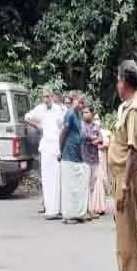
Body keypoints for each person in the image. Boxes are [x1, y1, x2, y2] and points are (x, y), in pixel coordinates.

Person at [108, 60, 137, 271]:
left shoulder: (135, 110)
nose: (117, 84)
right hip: (124, 177)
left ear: (124, 82)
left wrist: (124, 185)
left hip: (129, 179)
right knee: (124, 243)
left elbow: (133, 152)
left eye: (118, 80)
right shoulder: (128, 107)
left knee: (130, 243)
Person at [25, 88, 64, 220]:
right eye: (44, 97)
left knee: (56, 178)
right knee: (47, 178)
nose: (46, 99)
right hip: (46, 146)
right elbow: (27, 117)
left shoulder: (58, 109)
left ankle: (57, 209)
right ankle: (49, 210)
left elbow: (63, 125)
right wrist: (37, 126)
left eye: (48, 96)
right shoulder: (40, 109)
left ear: (52, 97)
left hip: (56, 146)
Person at [59, 93, 90, 224]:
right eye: (79, 102)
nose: (81, 105)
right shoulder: (70, 113)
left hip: (77, 154)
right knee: (69, 186)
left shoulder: (78, 114)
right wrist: (61, 150)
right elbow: (63, 133)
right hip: (69, 153)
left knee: (77, 185)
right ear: (74, 101)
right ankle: (68, 215)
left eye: (83, 103)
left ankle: (78, 213)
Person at [82, 107, 107, 217]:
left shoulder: (96, 126)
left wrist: (94, 140)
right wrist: (93, 139)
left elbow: (101, 139)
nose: (84, 114)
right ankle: (84, 209)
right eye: (83, 112)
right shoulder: (81, 125)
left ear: (92, 114)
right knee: (84, 184)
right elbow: (84, 136)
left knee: (92, 185)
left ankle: (90, 209)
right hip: (84, 158)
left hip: (94, 159)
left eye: (87, 112)